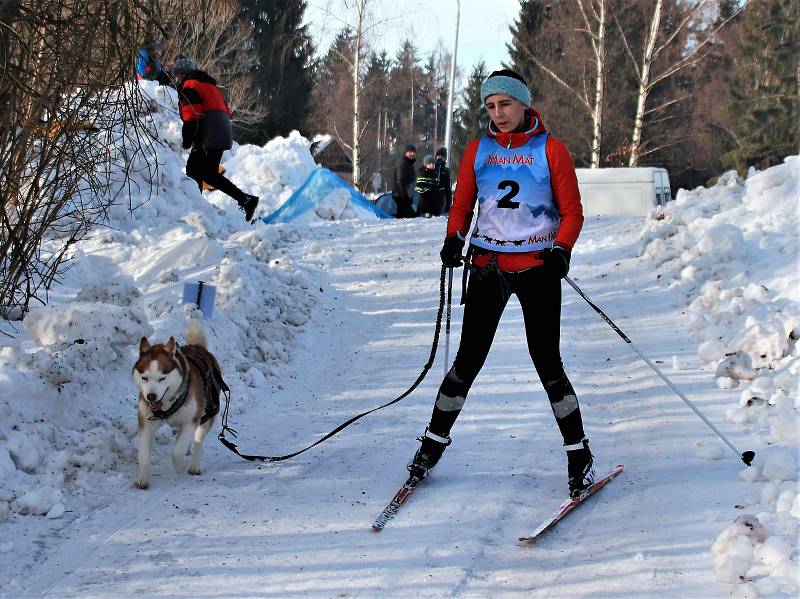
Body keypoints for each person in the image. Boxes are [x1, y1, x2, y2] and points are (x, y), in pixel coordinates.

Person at [407, 69, 594, 498]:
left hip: (537, 269)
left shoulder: (552, 149)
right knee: (467, 361)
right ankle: (432, 446)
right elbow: (462, 204)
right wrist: (453, 238)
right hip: (487, 267)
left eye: (505, 104)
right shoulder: (479, 149)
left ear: (524, 103)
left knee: (548, 363)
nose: (498, 113)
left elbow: (573, 212)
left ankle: (578, 452)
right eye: (490, 106)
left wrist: (562, 248)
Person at [173, 55, 259, 222]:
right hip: (223, 133)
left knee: (193, 170)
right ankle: (245, 200)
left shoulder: (190, 86)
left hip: (208, 133)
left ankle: (194, 209)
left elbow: (192, 115)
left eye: (177, 74)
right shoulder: (212, 87)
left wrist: (187, 141)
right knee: (209, 174)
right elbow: (228, 112)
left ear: (183, 74)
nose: (176, 78)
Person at [392, 144, 417, 218]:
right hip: (402, 196)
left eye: (414, 152)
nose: (412, 154)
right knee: (407, 218)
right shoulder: (402, 163)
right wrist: (405, 197)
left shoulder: (409, 163)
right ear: (406, 152)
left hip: (406, 196)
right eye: (410, 152)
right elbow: (400, 181)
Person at [434, 147, 452, 214]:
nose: (440, 158)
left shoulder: (446, 171)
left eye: (442, 156)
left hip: (442, 199)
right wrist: (437, 166)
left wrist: (448, 204)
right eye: (439, 156)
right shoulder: (432, 167)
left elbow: (448, 189)